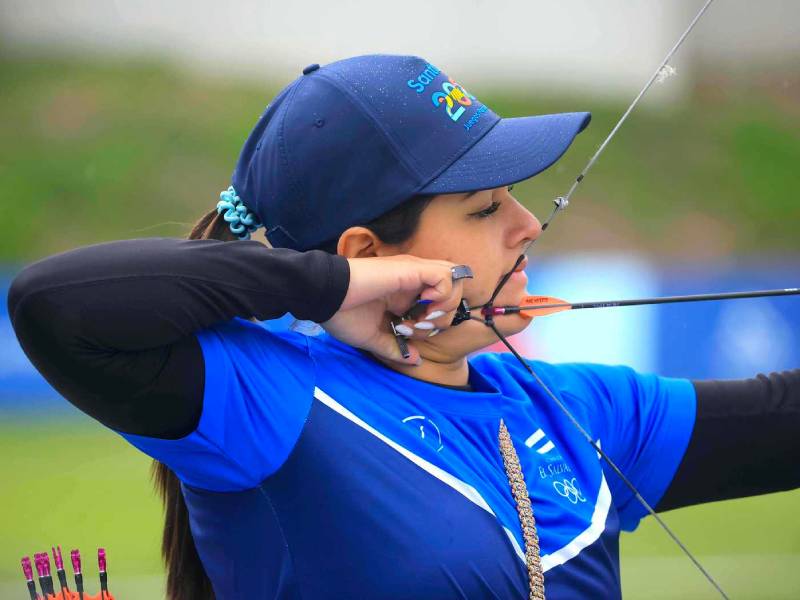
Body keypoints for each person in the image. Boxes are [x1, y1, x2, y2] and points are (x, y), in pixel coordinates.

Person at [8, 54, 799, 600]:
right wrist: (329, 286)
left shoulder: (583, 412)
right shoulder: (275, 400)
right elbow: (56, 303)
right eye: (485, 207)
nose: (527, 224)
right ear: (370, 255)